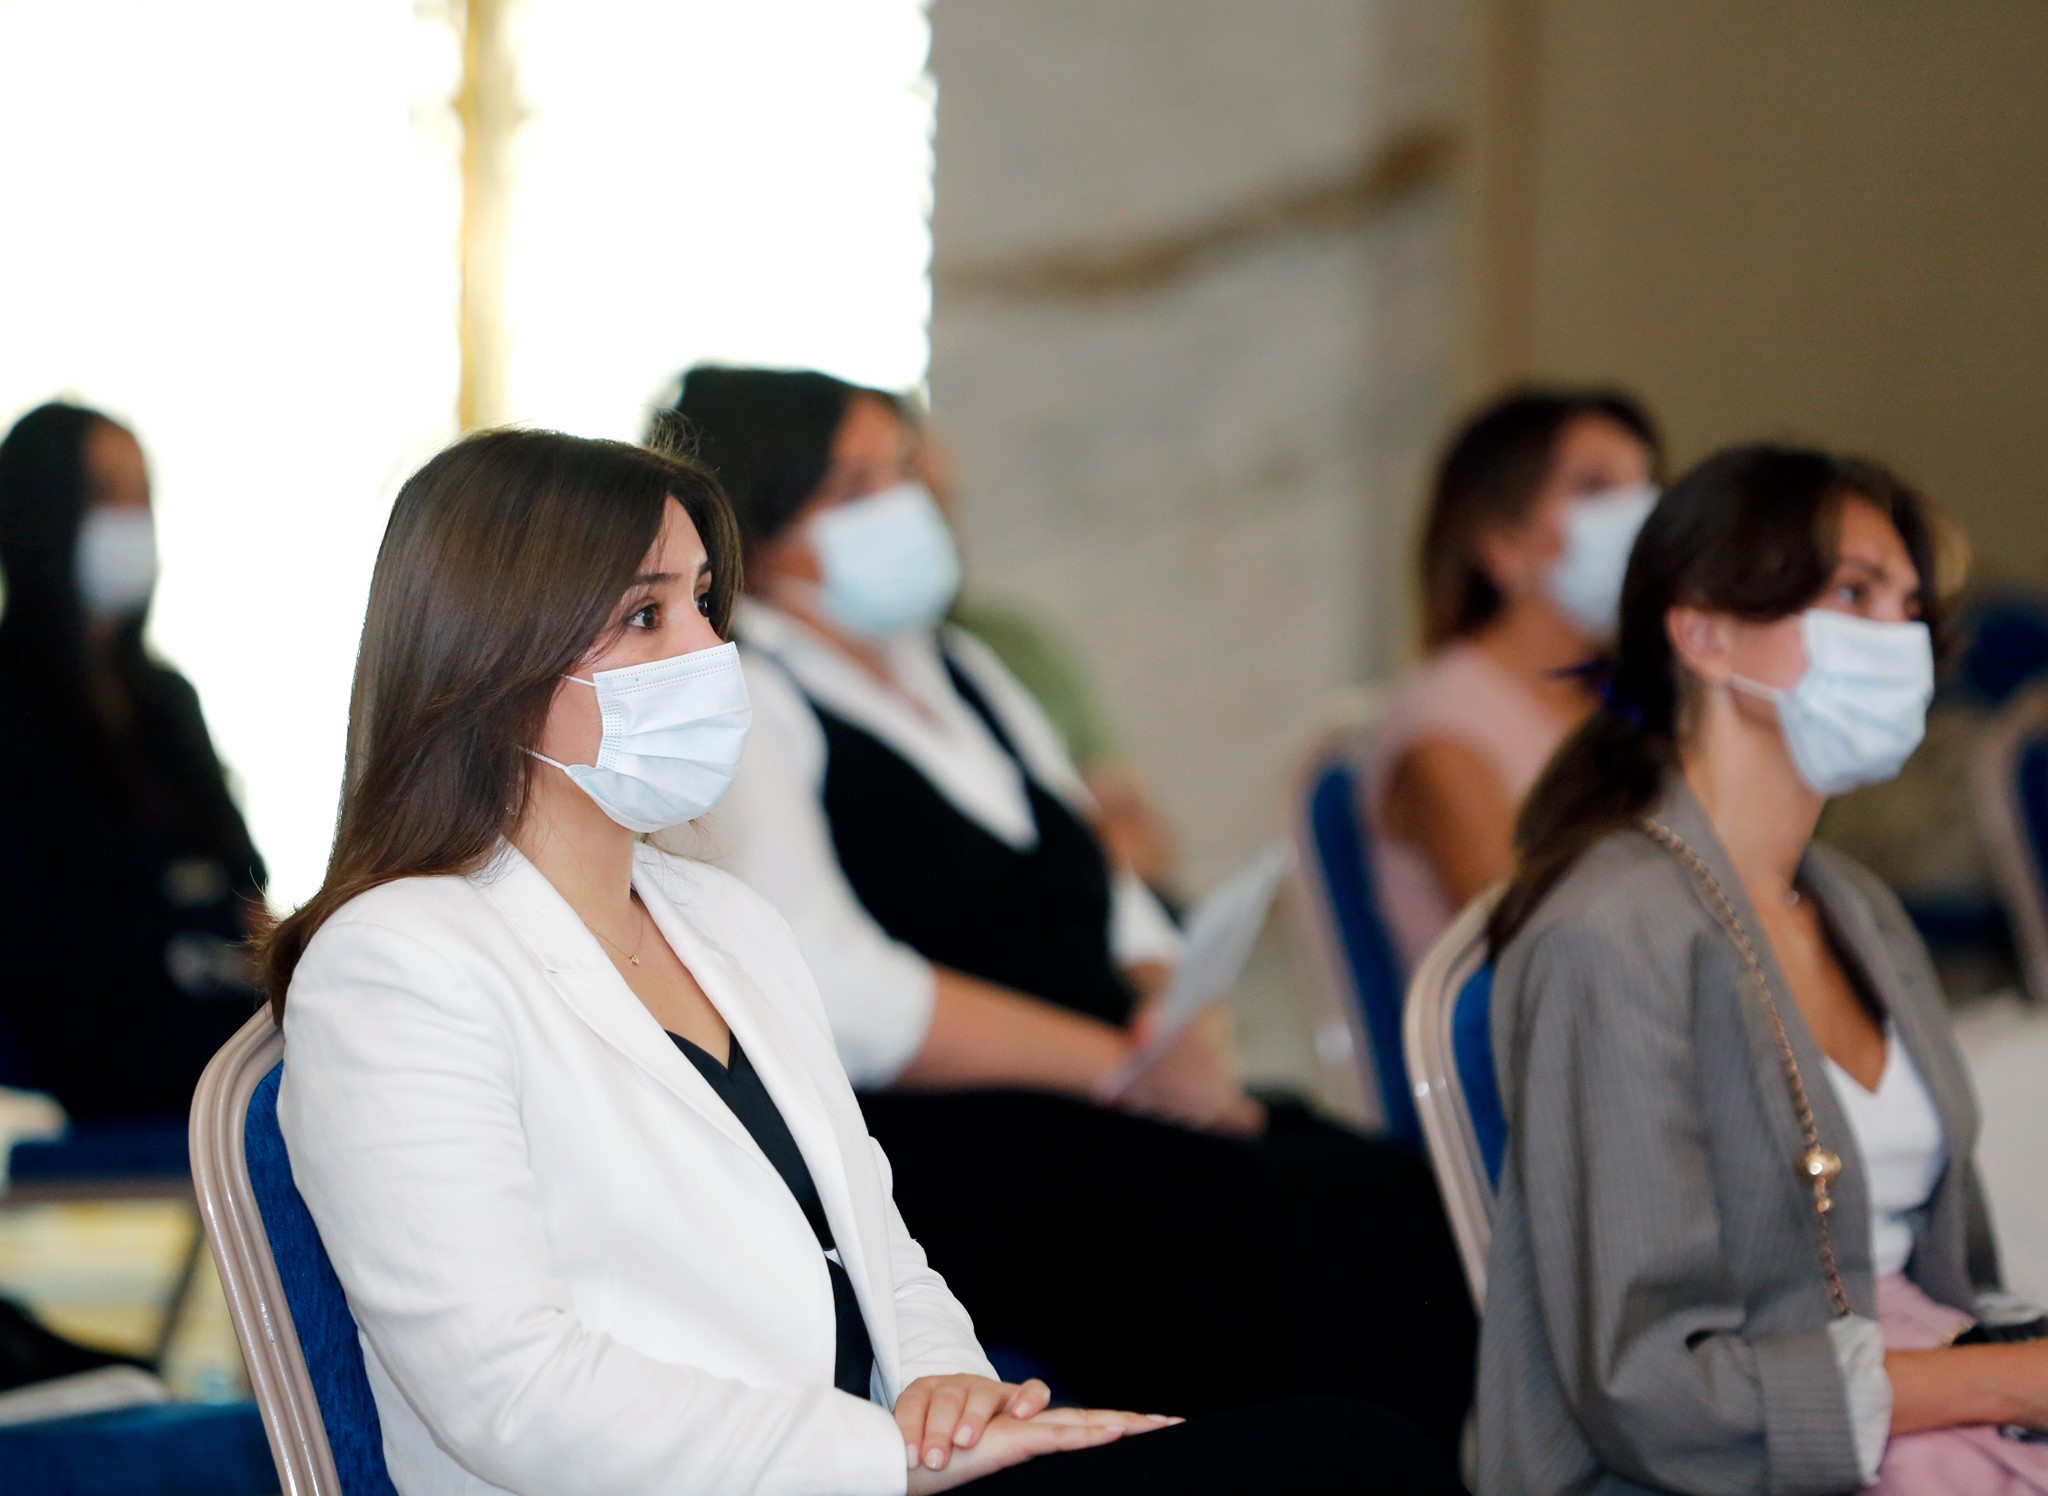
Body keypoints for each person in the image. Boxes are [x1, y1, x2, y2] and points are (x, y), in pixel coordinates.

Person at [267, 427, 1459, 1496]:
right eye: (645, 616)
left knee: (1350, 1447)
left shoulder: (722, 918)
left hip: (875, 1471)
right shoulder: (396, 963)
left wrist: (949, 1390)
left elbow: (881, 1249)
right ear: (495, 664)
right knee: (1346, 1456)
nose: (711, 648)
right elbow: (510, 1390)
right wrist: (888, 1453)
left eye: (703, 601)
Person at [664, 365, 1477, 1456]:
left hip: (1107, 1084)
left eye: (903, 472)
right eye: (854, 488)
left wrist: (1175, 1013)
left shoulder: (960, 666)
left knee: (1384, 1188)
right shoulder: (756, 694)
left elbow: (1107, 885)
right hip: (947, 1128)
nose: (905, 505)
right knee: (1260, 1227)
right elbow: (841, 990)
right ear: (761, 526)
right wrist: (1112, 1064)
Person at [1480, 443, 2048, 1494]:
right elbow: (1652, 1388)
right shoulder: (1610, 935)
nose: (1898, 640)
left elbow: (1949, 1283)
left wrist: (2011, 1366)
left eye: (1910, 608)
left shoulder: (1854, 905)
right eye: (1853, 594)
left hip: (1917, 1396)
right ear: (1702, 633)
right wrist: (2008, 1384)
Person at [0, 402, 266, 1117]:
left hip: (214, 1032)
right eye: (105, 492)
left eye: (141, 493)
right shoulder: (12, 704)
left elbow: (243, 880)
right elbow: (33, 927)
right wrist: (173, 915)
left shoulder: (165, 699)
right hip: (83, 1059)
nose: (131, 517)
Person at [1363, 389, 1663, 975]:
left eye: (1647, 483)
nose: (1641, 513)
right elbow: (1541, 948)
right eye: (1597, 488)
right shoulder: (1442, 732)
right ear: (1500, 544)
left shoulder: (1624, 696)